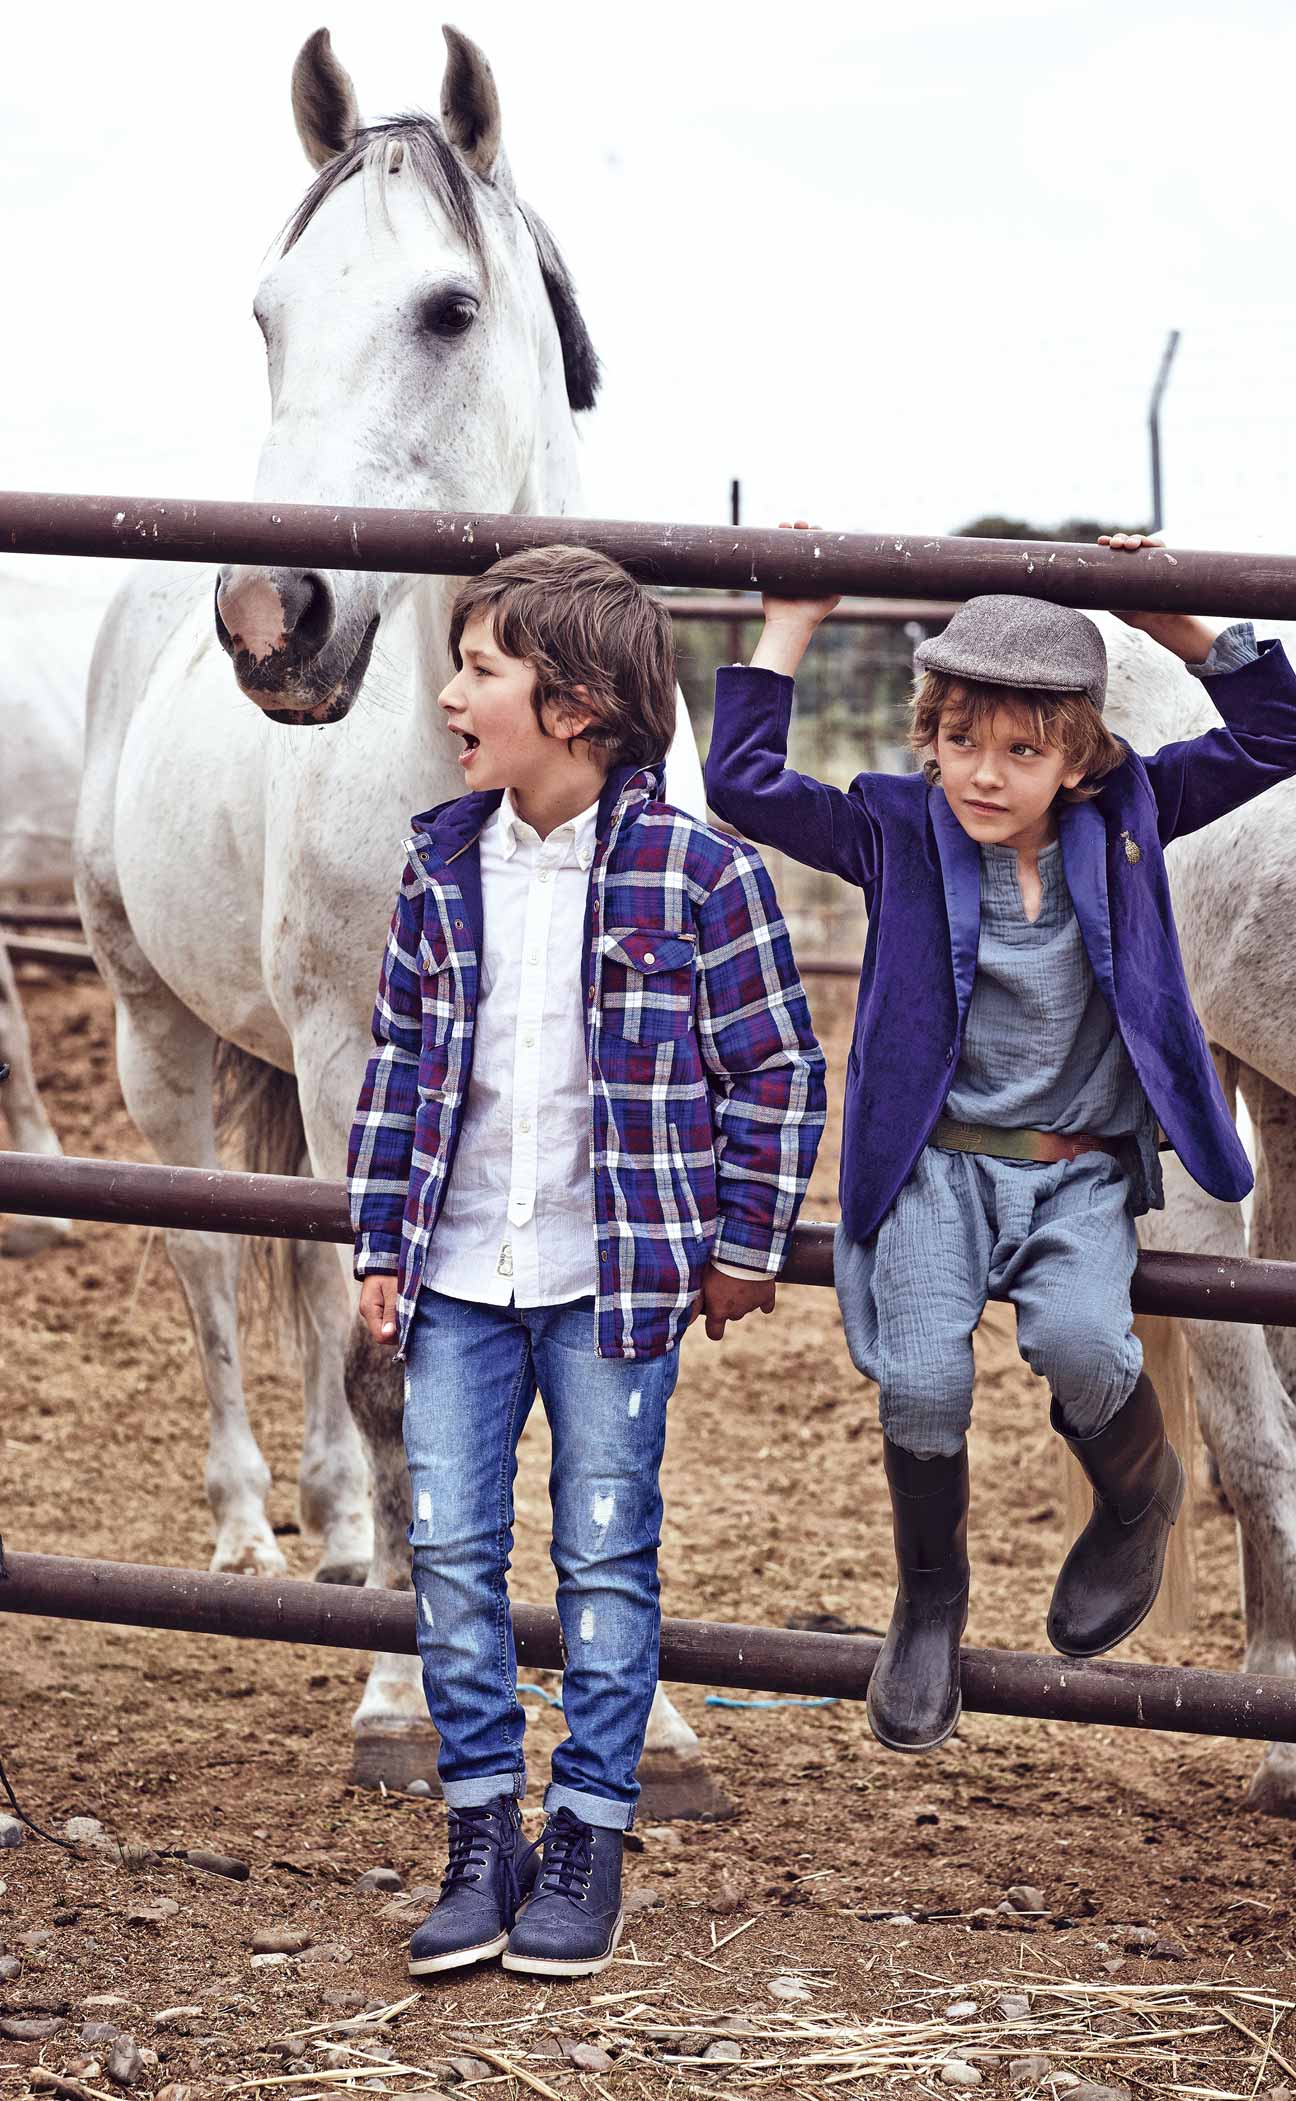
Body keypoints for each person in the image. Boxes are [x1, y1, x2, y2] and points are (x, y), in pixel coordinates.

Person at [704, 527, 1296, 1755]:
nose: (984, 774)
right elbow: (745, 786)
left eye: (1022, 750)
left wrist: (1181, 624)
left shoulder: (1134, 810)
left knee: (1086, 1342)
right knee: (923, 1378)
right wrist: (791, 621)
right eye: (960, 742)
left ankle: (1141, 1495)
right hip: (937, 1164)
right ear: (928, 737)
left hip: (1077, 1171)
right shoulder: (894, 827)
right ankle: (929, 1594)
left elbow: (1282, 736)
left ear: (1079, 755)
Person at [348, 545, 826, 1977]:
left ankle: (590, 1834)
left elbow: (779, 1071)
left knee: (605, 1555)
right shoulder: (438, 866)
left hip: (611, 1280)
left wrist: (744, 1243)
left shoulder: (698, 874)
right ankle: (481, 1829)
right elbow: (396, 1070)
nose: (448, 693)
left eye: (479, 667)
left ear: (577, 707)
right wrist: (381, 1238)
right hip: (453, 1279)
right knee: (447, 1545)